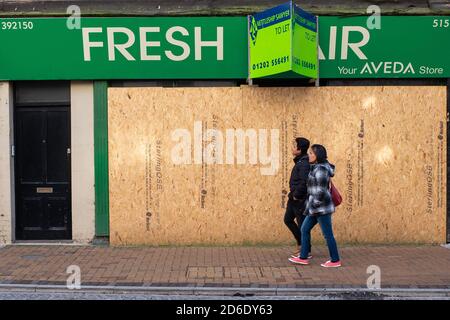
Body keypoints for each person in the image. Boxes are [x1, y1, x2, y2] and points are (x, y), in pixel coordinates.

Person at [288, 144, 342, 268]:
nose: (309, 155)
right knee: (304, 229)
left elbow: (321, 191)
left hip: (321, 208)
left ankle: (335, 260)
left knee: (327, 234)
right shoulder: (315, 167)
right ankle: (303, 257)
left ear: (318, 156)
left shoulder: (321, 169)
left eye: (311, 153)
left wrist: (314, 205)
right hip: (315, 208)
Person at [283, 137, 311, 259]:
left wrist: (296, 195)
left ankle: (306, 250)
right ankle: (301, 244)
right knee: (288, 219)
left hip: (299, 200)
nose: (292, 148)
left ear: (299, 150)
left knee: (302, 225)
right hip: (293, 199)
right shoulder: (300, 161)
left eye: (294, 146)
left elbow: (304, 182)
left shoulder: (304, 163)